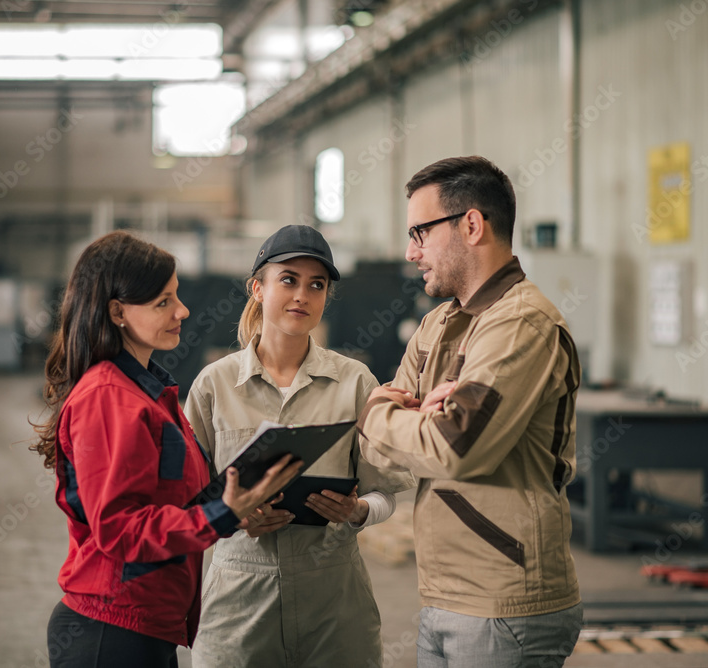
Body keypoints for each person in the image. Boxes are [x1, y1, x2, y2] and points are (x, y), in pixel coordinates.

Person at [31, 231, 302, 668]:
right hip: (111, 632)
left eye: (176, 296)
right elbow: (120, 529)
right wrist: (220, 514)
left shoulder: (150, 394)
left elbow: (173, 501)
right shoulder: (109, 397)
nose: (182, 311)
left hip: (146, 626)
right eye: (163, 302)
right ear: (118, 311)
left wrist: (237, 507)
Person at [356, 157, 583, 668]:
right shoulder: (440, 323)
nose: (411, 251)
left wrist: (376, 414)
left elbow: (454, 447)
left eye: (420, 232)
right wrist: (407, 419)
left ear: (472, 225)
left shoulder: (521, 324)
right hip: (444, 594)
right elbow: (383, 451)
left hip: (504, 605)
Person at [185, 225, 415, 668]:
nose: (302, 296)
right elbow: (187, 500)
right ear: (257, 288)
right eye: (288, 279)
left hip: (334, 600)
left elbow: (383, 491)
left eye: (317, 285)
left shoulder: (355, 382)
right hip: (239, 600)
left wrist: (358, 512)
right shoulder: (214, 385)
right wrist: (231, 515)